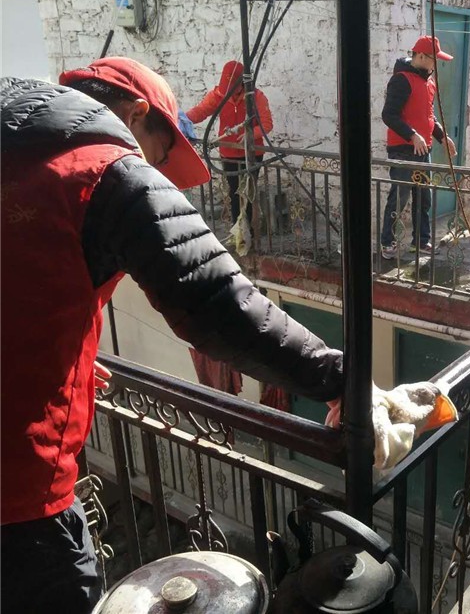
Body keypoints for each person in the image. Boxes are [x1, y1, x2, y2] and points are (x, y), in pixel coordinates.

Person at [1, 58, 341, 613]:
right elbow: (217, 303)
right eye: (160, 156)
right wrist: (337, 377)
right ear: (138, 115)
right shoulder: (101, 169)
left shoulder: (17, 152)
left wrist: (68, 359)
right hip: (18, 504)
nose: (155, 169)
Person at [380, 35, 456, 260]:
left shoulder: (429, 82)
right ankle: (387, 242)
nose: (436, 64)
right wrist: (412, 135)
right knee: (399, 198)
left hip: (424, 149)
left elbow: (429, 116)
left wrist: (442, 137)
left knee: (424, 198)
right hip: (403, 149)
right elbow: (389, 115)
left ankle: (421, 241)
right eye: (434, 59)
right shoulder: (401, 80)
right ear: (421, 56)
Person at [186, 60, 273, 231]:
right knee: (234, 192)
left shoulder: (256, 96)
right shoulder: (218, 95)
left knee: (248, 193)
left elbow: (267, 123)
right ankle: (237, 231)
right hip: (228, 153)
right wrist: (182, 119)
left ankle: (249, 232)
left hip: (252, 153)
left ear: (242, 84)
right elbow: (201, 111)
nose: (229, 93)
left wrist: (251, 134)